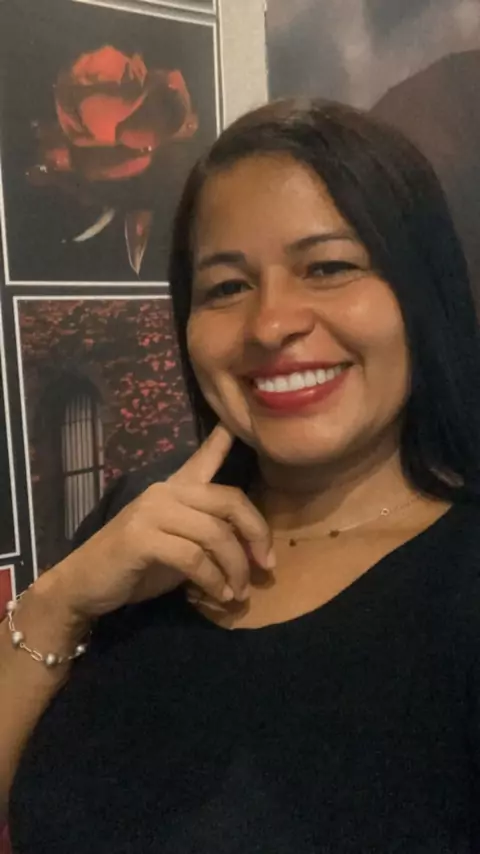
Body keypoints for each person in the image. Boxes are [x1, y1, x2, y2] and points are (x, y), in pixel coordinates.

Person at [2, 97, 480, 853]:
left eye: (328, 267)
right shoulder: (145, 521)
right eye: (226, 287)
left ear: (422, 292)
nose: (270, 324)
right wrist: (60, 601)